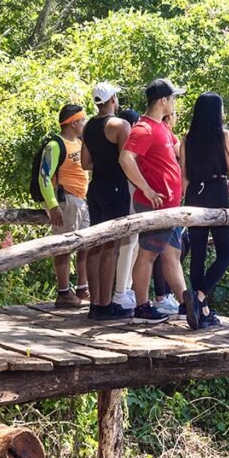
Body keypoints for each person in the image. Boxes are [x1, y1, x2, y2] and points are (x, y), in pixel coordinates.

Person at [118, 79, 194, 324]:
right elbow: (125, 158)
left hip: (170, 205)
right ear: (163, 101)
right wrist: (147, 189)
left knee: (172, 254)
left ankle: (186, 305)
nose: (175, 103)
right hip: (155, 205)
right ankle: (141, 307)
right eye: (173, 98)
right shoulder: (144, 128)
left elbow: (179, 150)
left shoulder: (162, 127)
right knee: (148, 255)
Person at [180, 92, 229, 329]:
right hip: (217, 191)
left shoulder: (187, 139)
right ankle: (200, 296)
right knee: (226, 253)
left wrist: (186, 201)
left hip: (194, 193)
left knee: (198, 254)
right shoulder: (224, 136)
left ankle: (200, 309)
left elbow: (183, 175)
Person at [81, 82, 133, 320]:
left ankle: (95, 304)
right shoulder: (120, 125)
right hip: (115, 188)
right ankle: (105, 303)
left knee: (95, 244)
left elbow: (85, 163)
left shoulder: (88, 126)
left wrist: (102, 162)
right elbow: (126, 160)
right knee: (110, 247)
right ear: (112, 99)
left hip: (96, 188)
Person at [39, 104, 90, 308]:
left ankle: (82, 287)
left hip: (82, 200)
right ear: (73, 123)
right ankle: (63, 292)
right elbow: (44, 177)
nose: (85, 123)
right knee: (64, 246)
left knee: (86, 243)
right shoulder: (55, 145)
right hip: (66, 200)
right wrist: (52, 205)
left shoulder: (79, 142)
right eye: (83, 120)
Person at [110, 108, 141, 310]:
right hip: (128, 193)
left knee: (133, 243)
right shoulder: (127, 145)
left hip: (123, 193)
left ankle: (126, 289)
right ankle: (121, 292)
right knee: (128, 242)